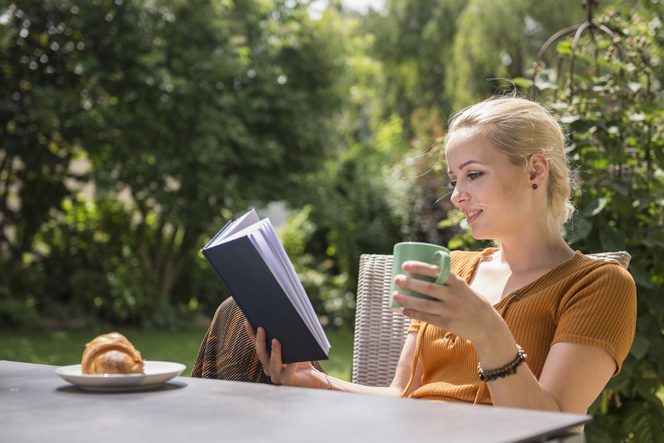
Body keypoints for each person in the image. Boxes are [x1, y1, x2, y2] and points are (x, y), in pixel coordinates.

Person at [192, 96, 636, 414]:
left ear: (536, 170)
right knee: (237, 316)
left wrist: (488, 332)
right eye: (453, 180)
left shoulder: (597, 284)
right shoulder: (454, 269)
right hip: (404, 432)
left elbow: (551, 423)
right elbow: (405, 395)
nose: (458, 196)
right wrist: (313, 380)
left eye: (474, 175)